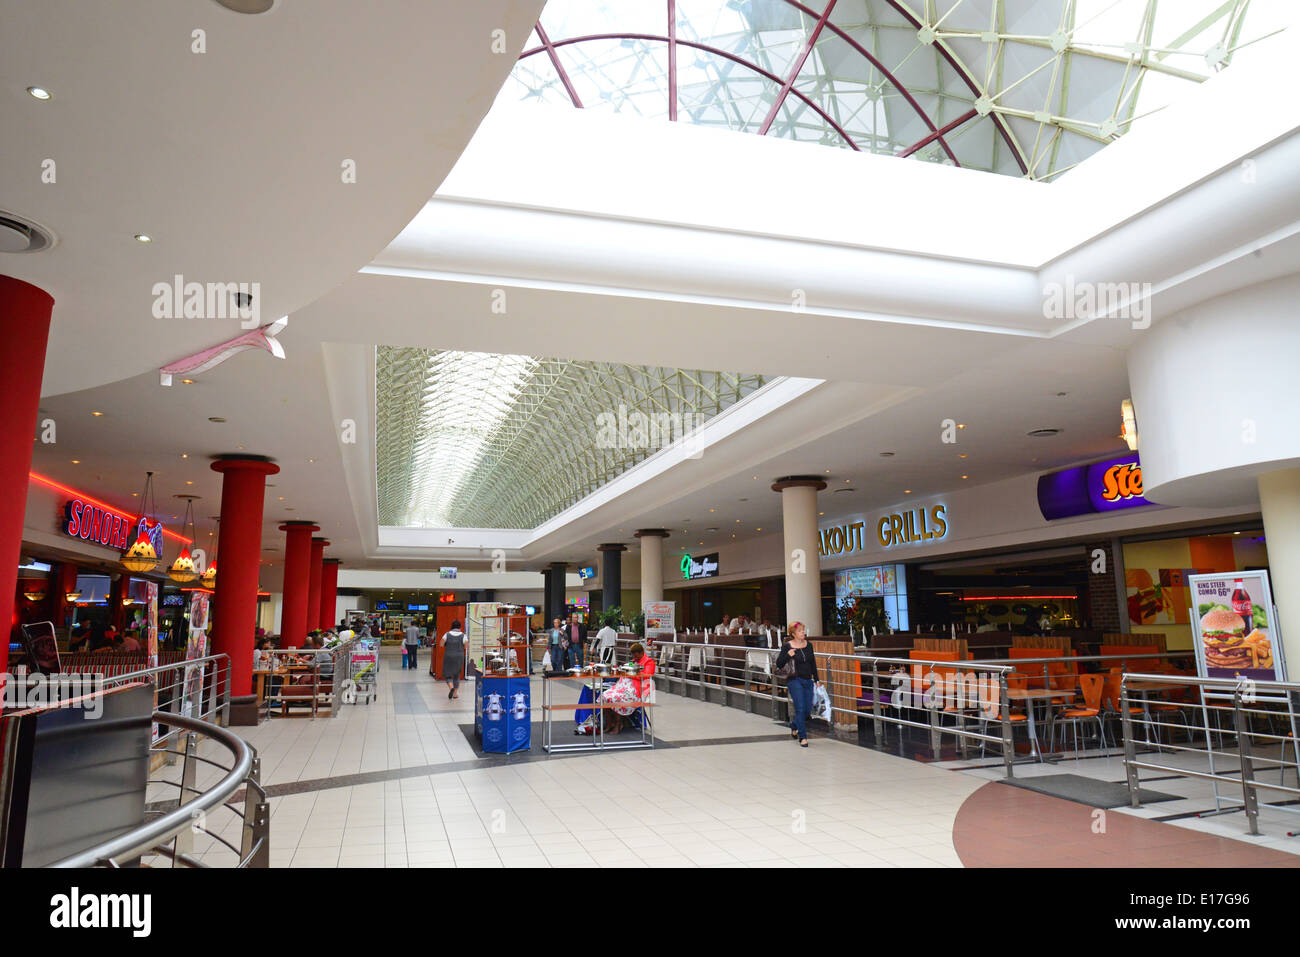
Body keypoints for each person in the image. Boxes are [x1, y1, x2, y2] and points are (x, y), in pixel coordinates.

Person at [775, 621, 821, 748]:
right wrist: (788, 655)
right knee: (800, 708)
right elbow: (779, 663)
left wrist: (817, 679)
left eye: (803, 630)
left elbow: (812, 663)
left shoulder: (809, 645)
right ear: (794, 634)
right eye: (800, 631)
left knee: (807, 709)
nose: (803, 633)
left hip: (808, 680)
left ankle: (794, 725)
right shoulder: (787, 646)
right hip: (795, 680)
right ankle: (803, 736)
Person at [439, 620, 467, 699]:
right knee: (457, 675)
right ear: (459, 627)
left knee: (447, 674)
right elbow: (466, 646)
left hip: (449, 656)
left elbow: (441, 644)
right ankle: (455, 694)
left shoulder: (447, 634)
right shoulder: (463, 635)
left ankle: (451, 687)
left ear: (452, 626)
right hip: (459, 656)